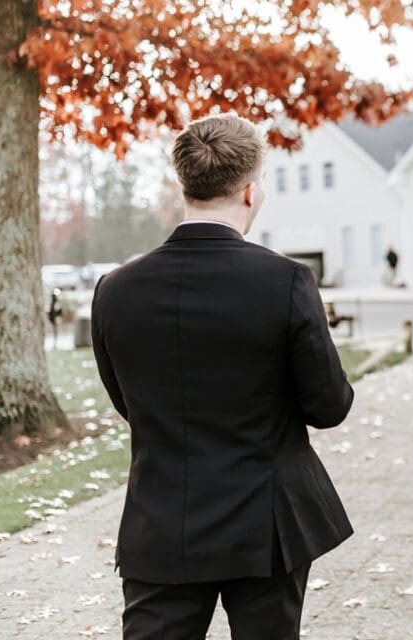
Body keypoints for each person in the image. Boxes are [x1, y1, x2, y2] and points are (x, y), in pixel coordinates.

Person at [91, 113, 355, 640]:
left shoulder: (115, 289)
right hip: (266, 522)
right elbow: (328, 406)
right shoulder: (286, 280)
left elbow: (127, 402)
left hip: (161, 520)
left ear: (184, 185)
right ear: (250, 191)